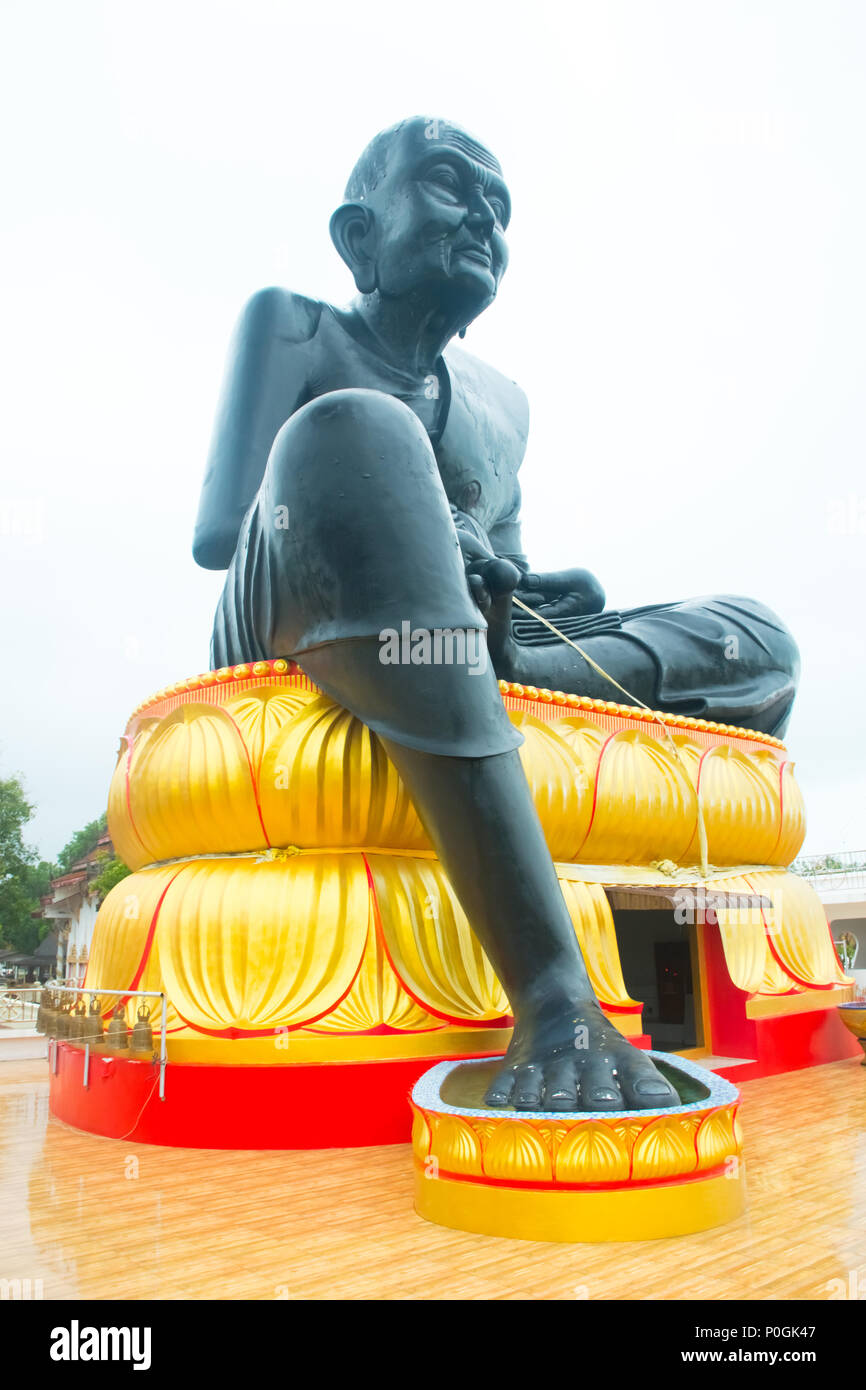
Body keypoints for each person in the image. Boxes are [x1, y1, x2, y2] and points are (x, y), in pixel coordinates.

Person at [192, 117, 799, 1111]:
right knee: (358, 431)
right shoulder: (297, 327)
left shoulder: (499, 403)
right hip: (295, 608)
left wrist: (527, 587)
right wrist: (420, 520)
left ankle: (473, 689)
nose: (482, 216)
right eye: (448, 186)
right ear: (357, 236)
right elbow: (224, 530)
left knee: (753, 631)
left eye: (500, 207)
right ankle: (550, 988)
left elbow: (499, 568)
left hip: (457, 645)